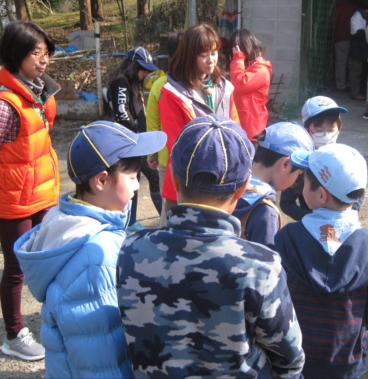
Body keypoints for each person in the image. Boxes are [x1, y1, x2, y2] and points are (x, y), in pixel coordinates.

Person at [117, 115, 305, 378]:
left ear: (173, 177)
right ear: (242, 188)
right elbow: (289, 357)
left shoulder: (130, 251)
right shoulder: (261, 266)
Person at [14, 121, 166, 378]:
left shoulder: (62, 222)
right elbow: (104, 359)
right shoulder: (97, 256)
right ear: (102, 180)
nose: (138, 186)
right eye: (132, 177)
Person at [0, 21, 60, 361]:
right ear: (16, 54)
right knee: (15, 270)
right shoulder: (2, 105)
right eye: (36, 53)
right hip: (14, 203)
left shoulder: (37, 92)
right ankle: (14, 334)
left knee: (52, 260)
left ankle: (55, 320)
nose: (44, 60)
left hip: (42, 196)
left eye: (46, 53)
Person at [275, 143, 368, 379]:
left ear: (321, 194)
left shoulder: (288, 238)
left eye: (304, 181)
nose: (301, 185)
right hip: (347, 356)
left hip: (296, 352)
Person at [158, 23, 239, 224]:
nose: (211, 60)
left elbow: (236, 129)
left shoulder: (225, 87)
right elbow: (178, 146)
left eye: (214, 53)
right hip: (186, 187)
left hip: (221, 184)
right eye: (204, 55)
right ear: (189, 56)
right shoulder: (171, 94)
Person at [232, 121, 314, 250]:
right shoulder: (266, 213)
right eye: (298, 174)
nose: (294, 182)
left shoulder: (227, 186)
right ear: (286, 164)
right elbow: (266, 267)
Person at [280, 96, 364, 221]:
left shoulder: (348, 160)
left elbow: (358, 192)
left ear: (339, 129)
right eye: (319, 131)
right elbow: (286, 203)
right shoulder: (300, 161)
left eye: (331, 130)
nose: (326, 136)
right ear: (307, 130)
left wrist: (350, 213)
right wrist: (313, 220)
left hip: (341, 224)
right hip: (309, 228)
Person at [107, 46, 162, 230]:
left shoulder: (133, 83)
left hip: (138, 141)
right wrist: (137, 133)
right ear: (132, 66)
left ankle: (134, 221)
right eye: (143, 68)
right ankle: (138, 222)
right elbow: (122, 112)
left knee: (137, 179)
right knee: (147, 177)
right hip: (129, 142)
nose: (145, 73)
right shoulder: (121, 82)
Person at [145, 32, 183, 228]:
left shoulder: (159, 84)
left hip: (165, 158)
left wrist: (152, 153)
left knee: (168, 209)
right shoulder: (194, 85)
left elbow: (152, 124)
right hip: (179, 160)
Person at [229, 28, 272, 141]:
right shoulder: (250, 66)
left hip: (251, 131)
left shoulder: (261, 70)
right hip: (242, 126)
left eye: (237, 49)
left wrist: (238, 59)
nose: (234, 52)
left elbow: (239, 85)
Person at [331, 0, 356, 92]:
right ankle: (351, 85)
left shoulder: (338, 8)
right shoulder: (353, 8)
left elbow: (332, 23)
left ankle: (341, 86)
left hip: (341, 39)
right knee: (351, 64)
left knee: (341, 64)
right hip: (353, 39)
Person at [348, 0, 368, 100]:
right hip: (357, 50)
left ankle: (360, 92)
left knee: (361, 73)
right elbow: (356, 33)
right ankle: (354, 93)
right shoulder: (356, 17)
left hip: (362, 49)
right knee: (356, 72)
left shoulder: (365, 16)